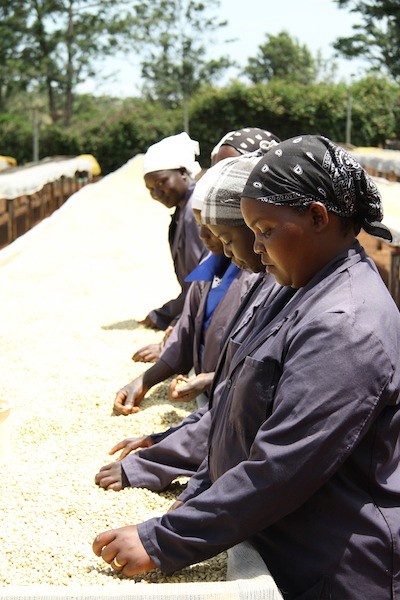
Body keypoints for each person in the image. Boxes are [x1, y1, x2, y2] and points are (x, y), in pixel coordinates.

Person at [93, 135, 400, 600]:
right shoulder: (301, 288)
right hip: (287, 545)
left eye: (266, 230)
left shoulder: (346, 324)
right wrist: (193, 496)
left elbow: (283, 465)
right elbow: (235, 411)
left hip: (338, 566)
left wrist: (163, 540)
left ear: (318, 217)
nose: (255, 250)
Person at [95, 153, 279, 493]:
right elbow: (191, 328)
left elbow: (246, 398)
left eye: (218, 234)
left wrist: (160, 459)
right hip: (207, 414)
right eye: (203, 231)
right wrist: (149, 386)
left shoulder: (270, 282)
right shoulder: (217, 264)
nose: (207, 241)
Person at [133, 126, 281, 363]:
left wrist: (166, 320)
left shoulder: (278, 269)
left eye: (234, 171)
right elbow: (199, 303)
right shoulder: (226, 255)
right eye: (218, 171)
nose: (221, 183)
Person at [139, 132, 208, 331]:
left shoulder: (193, 211)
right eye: (150, 188)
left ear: (182, 172)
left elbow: (202, 280)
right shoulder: (182, 208)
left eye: (161, 182)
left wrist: (165, 315)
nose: (156, 193)